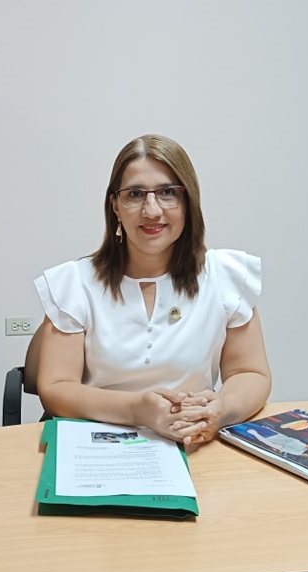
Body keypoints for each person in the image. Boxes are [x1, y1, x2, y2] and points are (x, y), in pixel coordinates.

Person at [33, 134, 271, 449]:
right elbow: (56, 387)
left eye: (167, 192)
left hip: (194, 443)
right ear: (115, 206)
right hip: (98, 446)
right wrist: (137, 409)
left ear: (188, 202)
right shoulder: (74, 283)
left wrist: (221, 409)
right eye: (135, 194)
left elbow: (250, 372)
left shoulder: (226, 277)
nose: (152, 210)